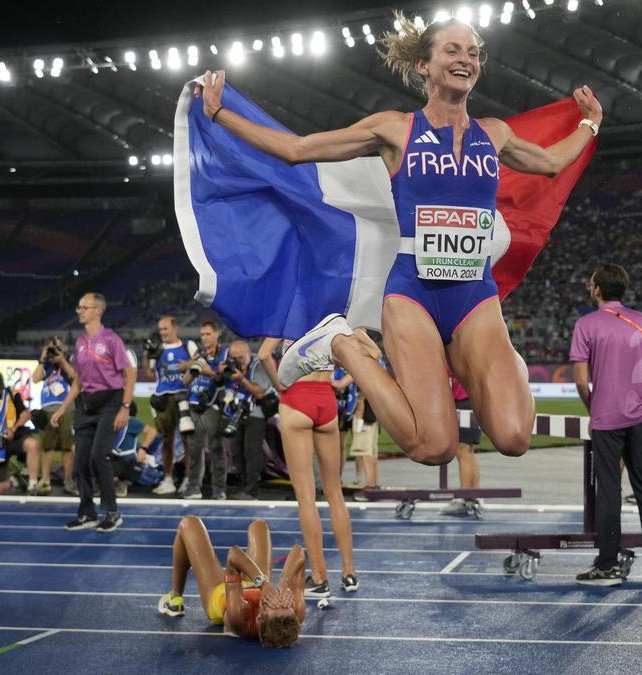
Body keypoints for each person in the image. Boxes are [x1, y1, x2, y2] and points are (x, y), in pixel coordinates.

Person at [192, 12, 599, 467]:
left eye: (473, 52)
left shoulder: (495, 133)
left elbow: (547, 163)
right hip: (414, 294)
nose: (466, 59)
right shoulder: (395, 129)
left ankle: (502, 362)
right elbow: (297, 150)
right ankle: (340, 344)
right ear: (423, 66)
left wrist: (590, 125)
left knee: (513, 436)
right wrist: (220, 114)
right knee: (434, 447)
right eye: (452, 50)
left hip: (474, 295)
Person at [570, 263, 642, 586]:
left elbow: (581, 380)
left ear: (598, 289)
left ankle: (608, 566)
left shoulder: (586, 325)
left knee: (610, 490)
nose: (589, 288)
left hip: (607, 417)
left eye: (590, 284)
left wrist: (593, 407)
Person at [260, 338, 358, 598]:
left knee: (306, 498)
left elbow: (262, 355)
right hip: (326, 398)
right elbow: (367, 351)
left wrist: (279, 384)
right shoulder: (331, 317)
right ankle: (349, 574)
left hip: (296, 396)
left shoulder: (285, 314)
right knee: (334, 493)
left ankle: (319, 577)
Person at [157, 517, 306, 647]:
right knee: (260, 526)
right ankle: (262, 586)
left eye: (272, 604)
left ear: (259, 617)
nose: (280, 599)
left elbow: (233, 555)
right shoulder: (295, 610)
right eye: (285, 604)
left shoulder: (239, 616)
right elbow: (299, 552)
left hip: (221, 591)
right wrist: (284, 583)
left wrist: (265, 585)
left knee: (189, 523)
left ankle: (175, 598)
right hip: (254, 584)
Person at [57, 292, 136, 533]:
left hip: (110, 402)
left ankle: (112, 511)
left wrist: (124, 407)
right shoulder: (80, 342)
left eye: (84, 307)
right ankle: (87, 512)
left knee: (98, 456)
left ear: (97, 311)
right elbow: (78, 381)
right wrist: (62, 408)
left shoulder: (111, 340)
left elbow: (130, 374)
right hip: (86, 404)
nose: (79, 311)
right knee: (80, 461)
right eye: (78, 307)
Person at [142, 315, 200, 495]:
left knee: (187, 441)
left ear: (175, 328)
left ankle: (188, 479)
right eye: (160, 330)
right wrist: (147, 355)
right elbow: (149, 374)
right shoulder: (158, 349)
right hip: (164, 399)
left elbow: (199, 362)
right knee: (166, 441)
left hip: (184, 397)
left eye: (165, 329)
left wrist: (187, 365)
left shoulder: (188, 346)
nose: (163, 333)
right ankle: (168, 479)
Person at [219, 340, 273, 499]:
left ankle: (252, 490)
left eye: (240, 357)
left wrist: (241, 379)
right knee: (236, 452)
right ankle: (244, 487)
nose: (237, 360)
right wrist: (220, 373)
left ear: (248, 353)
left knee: (251, 452)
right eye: (233, 357)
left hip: (255, 413)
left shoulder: (259, 366)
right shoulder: (230, 366)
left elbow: (260, 392)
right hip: (236, 412)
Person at [181, 320, 226, 499]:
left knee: (216, 447)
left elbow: (224, 380)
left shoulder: (224, 353)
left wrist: (210, 372)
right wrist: (191, 368)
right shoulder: (199, 353)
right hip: (194, 402)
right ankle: (194, 487)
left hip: (213, 404)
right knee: (194, 448)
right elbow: (185, 381)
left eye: (208, 334)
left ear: (217, 334)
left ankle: (219, 488)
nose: (204, 338)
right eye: (202, 334)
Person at [32, 336, 77, 495]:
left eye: (57, 347)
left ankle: (68, 479)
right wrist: (42, 359)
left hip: (67, 408)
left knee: (67, 446)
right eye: (51, 348)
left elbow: (76, 377)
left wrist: (63, 360)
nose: (54, 351)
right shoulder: (47, 366)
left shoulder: (69, 361)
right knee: (47, 446)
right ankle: (45, 480)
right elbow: (35, 379)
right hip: (46, 409)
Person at [441, 376, 482, 516]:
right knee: (469, 451)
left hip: (464, 402)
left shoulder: (451, 357)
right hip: (474, 402)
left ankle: (464, 498)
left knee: (463, 450)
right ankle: (474, 495)